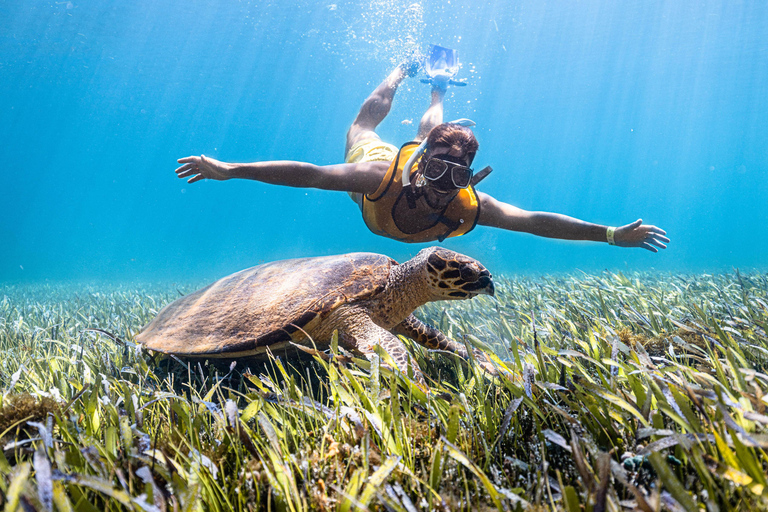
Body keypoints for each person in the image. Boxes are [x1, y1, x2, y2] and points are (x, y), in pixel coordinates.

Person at [175, 53, 669, 252]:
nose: (438, 187)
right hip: (381, 160)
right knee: (363, 124)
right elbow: (311, 174)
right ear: (422, 165)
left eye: (454, 177)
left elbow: (535, 220)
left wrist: (607, 234)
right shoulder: (377, 176)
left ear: (470, 179)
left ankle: (437, 91)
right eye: (434, 170)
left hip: (418, 152)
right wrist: (230, 169)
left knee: (434, 128)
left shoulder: (467, 205)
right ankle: (398, 72)